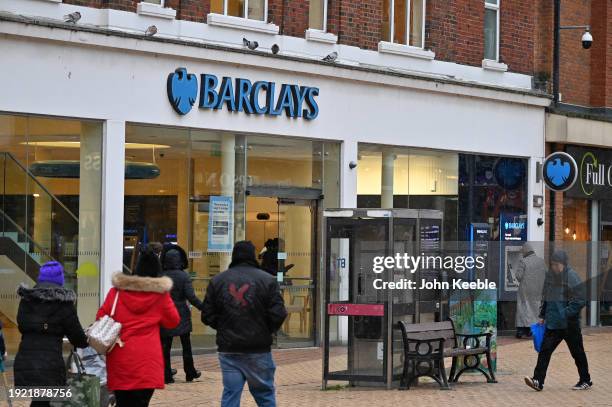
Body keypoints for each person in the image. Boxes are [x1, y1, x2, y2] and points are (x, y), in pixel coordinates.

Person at [202, 241, 287, 407]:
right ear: (253, 256)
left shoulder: (218, 281)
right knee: (265, 395)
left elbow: (207, 315)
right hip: (258, 348)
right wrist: (266, 330)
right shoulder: (268, 280)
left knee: (231, 394)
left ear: (234, 256)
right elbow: (279, 313)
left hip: (229, 348)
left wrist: (223, 327)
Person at [98, 247, 180, 407]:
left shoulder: (117, 292)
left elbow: (101, 317)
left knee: (122, 402)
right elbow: (173, 321)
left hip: (120, 358)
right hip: (147, 361)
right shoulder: (160, 295)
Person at [13, 261, 88, 407]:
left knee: (38, 401)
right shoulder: (64, 303)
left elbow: (22, 325)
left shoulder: (26, 299)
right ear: (60, 279)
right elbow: (78, 339)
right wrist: (87, 340)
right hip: (50, 364)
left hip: (25, 361)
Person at [524, 250, 592, 392]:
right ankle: (538, 381)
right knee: (544, 351)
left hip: (569, 324)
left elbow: (580, 300)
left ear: (563, 264)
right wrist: (543, 315)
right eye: (553, 264)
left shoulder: (571, 277)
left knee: (577, 352)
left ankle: (585, 380)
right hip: (553, 323)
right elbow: (546, 296)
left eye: (557, 265)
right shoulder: (550, 276)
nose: (554, 267)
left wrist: (565, 313)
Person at [160, 244, 203, 384]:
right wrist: (204, 307)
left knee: (165, 347)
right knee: (186, 345)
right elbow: (191, 297)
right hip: (182, 315)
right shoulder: (183, 276)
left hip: (165, 315)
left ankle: (166, 374)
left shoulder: (161, 276)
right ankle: (190, 372)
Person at [515, 243, 546, 338]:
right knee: (536, 309)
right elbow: (546, 275)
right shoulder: (541, 261)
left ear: (525, 251)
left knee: (524, 309)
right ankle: (532, 331)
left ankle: (522, 331)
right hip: (538, 290)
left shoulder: (523, 261)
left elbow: (518, 276)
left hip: (525, 290)